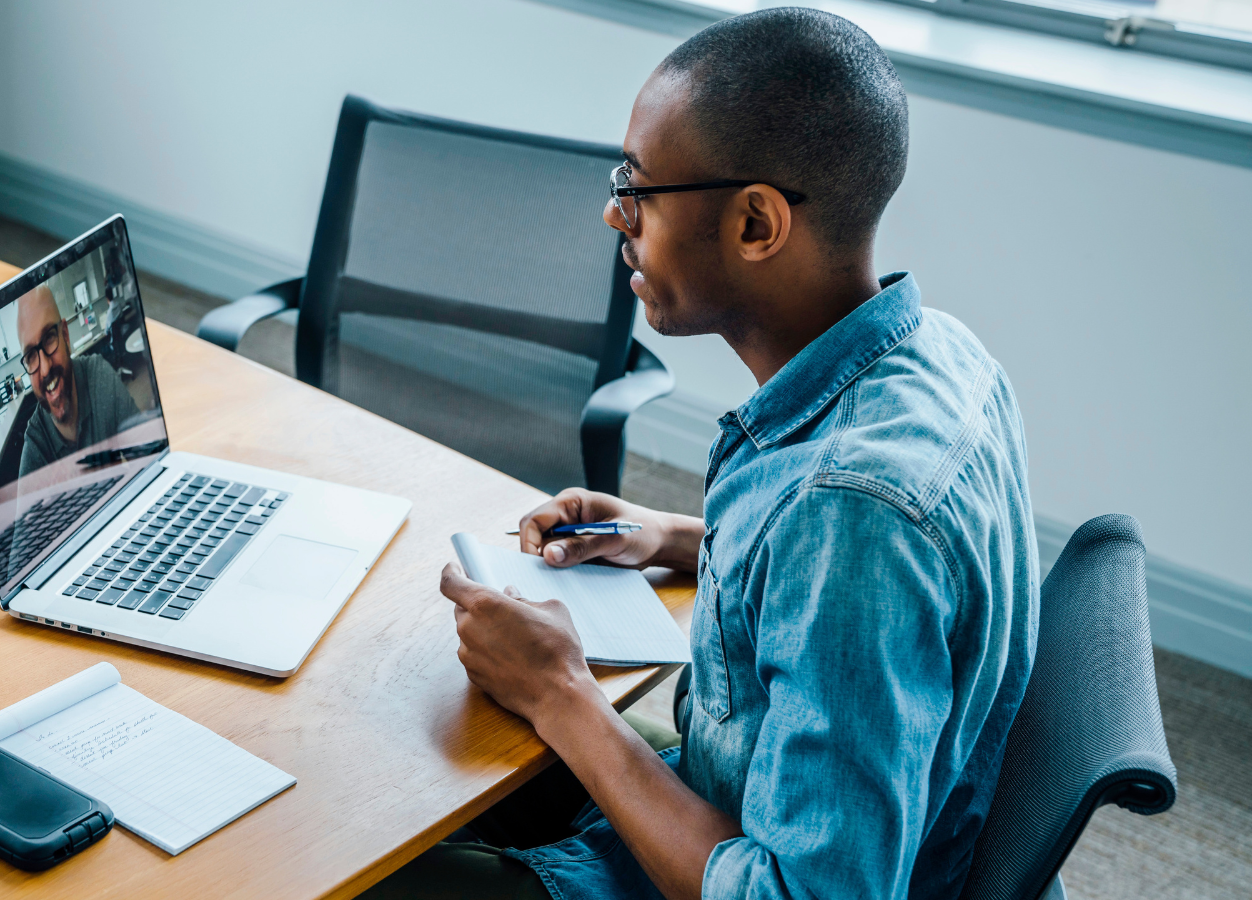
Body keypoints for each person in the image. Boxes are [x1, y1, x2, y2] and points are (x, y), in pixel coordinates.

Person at [367, 8, 1037, 900]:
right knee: (427, 736)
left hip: (740, 859)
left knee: (360, 855)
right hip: (741, 786)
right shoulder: (938, 352)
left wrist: (564, 693)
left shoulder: (854, 514)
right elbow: (859, 581)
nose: (614, 213)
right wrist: (679, 537)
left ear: (757, 224)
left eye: (639, 190)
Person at [16, 284, 141, 477]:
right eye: (31, 355)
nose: (46, 367)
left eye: (49, 337)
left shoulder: (99, 377)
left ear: (65, 335)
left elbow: (146, 454)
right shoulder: (37, 447)